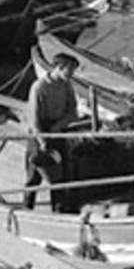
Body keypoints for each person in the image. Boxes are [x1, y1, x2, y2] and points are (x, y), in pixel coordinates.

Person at [25, 52, 80, 211]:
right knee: (34, 176)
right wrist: (42, 141)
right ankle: (27, 208)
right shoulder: (39, 87)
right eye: (70, 70)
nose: (72, 74)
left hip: (57, 131)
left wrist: (58, 126)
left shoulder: (67, 86)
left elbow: (73, 113)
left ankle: (58, 210)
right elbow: (33, 120)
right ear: (59, 68)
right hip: (39, 133)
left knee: (59, 176)